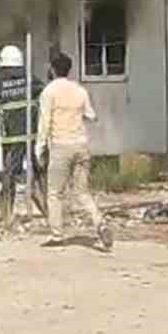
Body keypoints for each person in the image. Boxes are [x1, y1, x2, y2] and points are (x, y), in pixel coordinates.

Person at [36, 51, 113, 252]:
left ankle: (57, 235)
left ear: (52, 69)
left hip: (61, 146)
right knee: (82, 192)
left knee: (54, 193)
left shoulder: (49, 92)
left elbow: (45, 122)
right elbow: (91, 115)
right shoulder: (80, 90)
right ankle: (99, 222)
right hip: (81, 145)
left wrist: (40, 147)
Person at [0, 45, 46, 233]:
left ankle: (6, 214)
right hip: (32, 134)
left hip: (11, 137)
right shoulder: (31, 79)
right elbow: (43, 96)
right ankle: (49, 212)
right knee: (37, 171)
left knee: (9, 174)